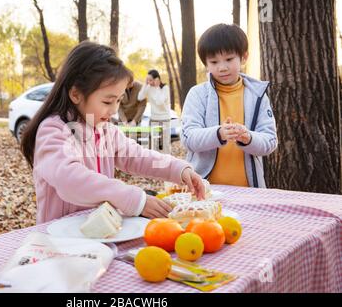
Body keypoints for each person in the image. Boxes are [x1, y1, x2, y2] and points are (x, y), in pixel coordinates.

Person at [20, 41, 205, 224]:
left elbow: (138, 156)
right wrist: (134, 199)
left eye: (118, 101)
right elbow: (70, 180)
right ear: (76, 94)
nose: (114, 110)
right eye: (108, 102)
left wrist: (178, 169)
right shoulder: (53, 130)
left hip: (102, 233)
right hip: (60, 239)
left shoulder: (106, 131)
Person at [181, 23, 278, 188]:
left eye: (229, 59)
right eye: (214, 62)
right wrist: (219, 133)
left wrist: (248, 138)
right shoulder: (197, 94)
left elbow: (270, 141)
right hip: (205, 190)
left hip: (250, 190)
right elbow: (188, 138)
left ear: (244, 57)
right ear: (206, 64)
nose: (222, 67)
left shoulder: (258, 95)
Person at [137, 69, 171, 154]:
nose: (149, 82)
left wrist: (157, 87)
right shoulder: (148, 87)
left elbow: (159, 102)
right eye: (147, 80)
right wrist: (145, 84)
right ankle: (156, 164)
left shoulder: (165, 88)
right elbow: (140, 97)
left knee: (165, 143)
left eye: (150, 80)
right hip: (154, 119)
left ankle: (167, 163)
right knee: (154, 143)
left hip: (165, 119)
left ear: (157, 79)